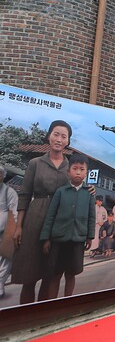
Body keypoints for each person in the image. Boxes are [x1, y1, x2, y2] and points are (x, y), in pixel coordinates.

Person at [13, 120, 73, 304]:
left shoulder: (70, 167)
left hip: (58, 221)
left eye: (64, 136)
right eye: (56, 134)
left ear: (68, 141)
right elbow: (25, 194)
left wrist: (90, 190)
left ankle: (42, 313)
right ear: (49, 136)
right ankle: (25, 314)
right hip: (34, 218)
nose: (59, 139)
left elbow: (76, 190)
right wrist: (19, 226)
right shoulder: (35, 163)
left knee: (50, 274)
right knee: (29, 274)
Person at [39, 153, 95, 299]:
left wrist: (90, 236)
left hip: (77, 240)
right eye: (75, 168)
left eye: (82, 169)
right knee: (55, 274)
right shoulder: (61, 191)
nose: (78, 172)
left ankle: (67, 301)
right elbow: (50, 215)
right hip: (58, 240)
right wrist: (46, 238)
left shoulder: (89, 194)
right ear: (69, 171)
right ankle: (51, 303)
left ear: (86, 172)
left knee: (71, 274)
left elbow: (91, 216)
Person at [0, 166, 18, 298]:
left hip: (5, 232)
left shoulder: (9, 192)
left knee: (6, 260)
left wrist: (14, 230)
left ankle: (0, 285)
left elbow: (15, 212)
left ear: (3, 176)